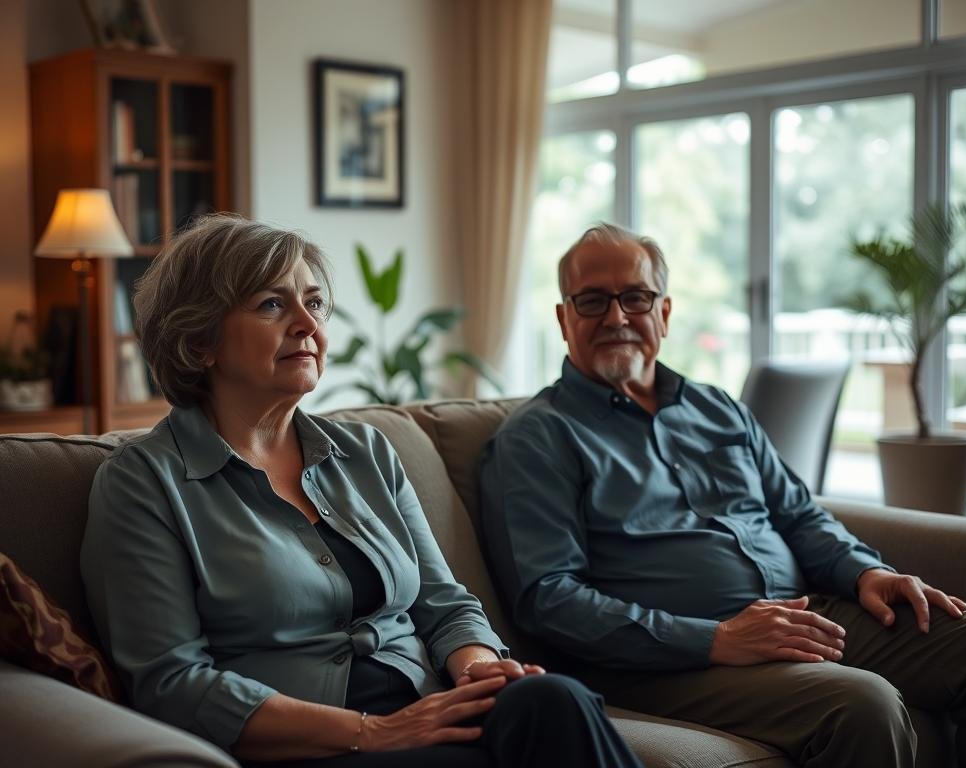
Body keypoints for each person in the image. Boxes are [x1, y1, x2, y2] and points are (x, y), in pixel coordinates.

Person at [80, 215, 642, 768]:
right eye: (271, 304)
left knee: (555, 698)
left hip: (426, 705)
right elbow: (173, 684)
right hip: (314, 742)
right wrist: (375, 732)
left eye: (314, 302)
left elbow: (443, 604)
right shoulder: (143, 483)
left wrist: (477, 669)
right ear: (201, 341)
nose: (307, 324)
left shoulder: (367, 453)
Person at [479, 222, 966, 768]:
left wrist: (865, 573)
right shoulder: (538, 436)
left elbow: (798, 512)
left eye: (635, 298)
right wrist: (716, 639)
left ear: (663, 313)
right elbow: (549, 598)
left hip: (802, 615)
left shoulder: (717, 408)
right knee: (863, 704)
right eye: (592, 300)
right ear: (563, 318)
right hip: (668, 663)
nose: (616, 317)